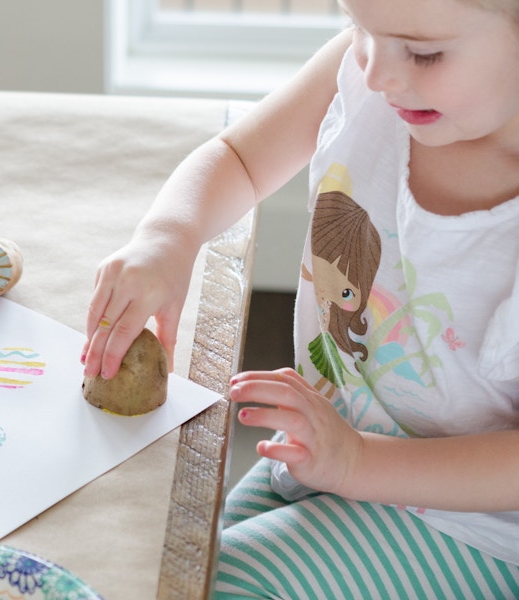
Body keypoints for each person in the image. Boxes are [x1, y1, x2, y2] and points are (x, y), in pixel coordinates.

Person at [82, 0, 519, 596]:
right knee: (173, 566)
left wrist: (360, 463)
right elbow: (239, 155)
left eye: (424, 53)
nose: (375, 74)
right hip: (333, 445)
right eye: (358, 28)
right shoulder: (377, 71)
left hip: (473, 527)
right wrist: (169, 236)